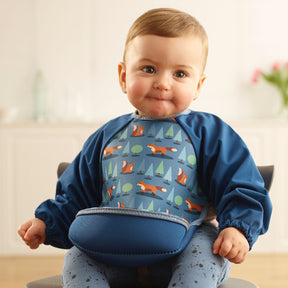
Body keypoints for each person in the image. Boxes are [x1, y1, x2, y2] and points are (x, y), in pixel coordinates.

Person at [18, 8, 272, 288]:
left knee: (203, 255)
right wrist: (47, 222)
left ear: (198, 85)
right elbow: (75, 192)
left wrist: (237, 227)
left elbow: (241, 183)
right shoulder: (107, 135)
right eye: (148, 69)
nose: (162, 83)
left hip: (187, 237)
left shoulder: (208, 132)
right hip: (112, 243)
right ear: (123, 76)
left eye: (180, 73)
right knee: (77, 259)